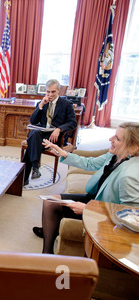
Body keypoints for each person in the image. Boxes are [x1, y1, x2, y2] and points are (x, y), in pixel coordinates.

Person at [33, 122, 139, 254]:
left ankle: (46, 254)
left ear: (134, 147)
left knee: (50, 204)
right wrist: (63, 154)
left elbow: (131, 217)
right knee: (50, 201)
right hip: (94, 199)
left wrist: (87, 209)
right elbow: (90, 163)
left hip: (101, 211)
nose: (110, 139)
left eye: (117, 138)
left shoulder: (129, 175)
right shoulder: (116, 155)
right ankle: (49, 235)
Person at [22, 79, 77, 185]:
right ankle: (35, 168)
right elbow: (33, 121)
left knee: (32, 142)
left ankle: (27, 175)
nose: (50, 94)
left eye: (53, 92)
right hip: (42, 134)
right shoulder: (42, 103)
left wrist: (59, 129)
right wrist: (41, 106)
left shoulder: (66, 104)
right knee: (35, 133)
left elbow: (72, 123)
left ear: (58, 91)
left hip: (56, 137)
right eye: (48, 92)